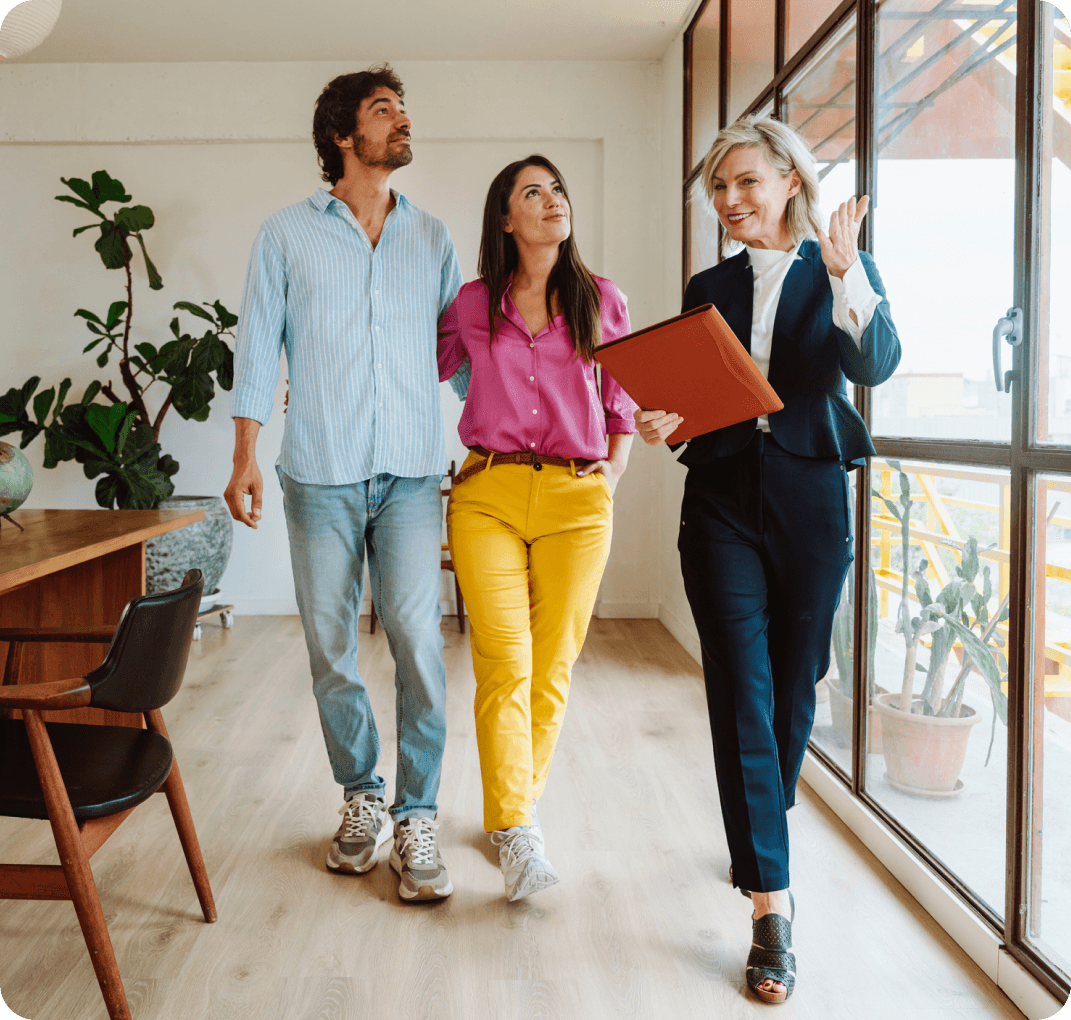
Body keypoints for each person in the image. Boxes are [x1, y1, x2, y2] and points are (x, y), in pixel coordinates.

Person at [634, 117, 900, 1002]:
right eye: (719, 188)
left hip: (810, 499)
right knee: (740, 690)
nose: (730, 201)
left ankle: (762, 823)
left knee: (795, 685)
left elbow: (877, 365)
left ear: (789, 178)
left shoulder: (836, 267)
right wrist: (664, 416)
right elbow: (696, 392)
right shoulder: (708, 281)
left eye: (745, 182)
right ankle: (770, 907)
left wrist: (845, 274)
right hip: (718, 502)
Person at [224, 65, 462, 902]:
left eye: (402, 109)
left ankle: (418, 811)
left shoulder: (431, 237)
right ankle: (361, 797)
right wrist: (245, 454)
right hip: (317, 474)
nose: (401, 122)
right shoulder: (286, 234)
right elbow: (257, 351)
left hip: (408, 473)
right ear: (340, 135)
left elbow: (457, 357)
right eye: (383, 110)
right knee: (331, 649)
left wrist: (523, 428)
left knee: (417, 644)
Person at [438, 155, 637, 901]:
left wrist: (611, 476)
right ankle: (518, 828)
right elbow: (412, 363)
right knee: (502, 659)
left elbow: (621, 400)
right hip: (485, 491)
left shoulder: (599, 298)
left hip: (575, 501)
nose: (552, 201)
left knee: (550, 667)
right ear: (505, 219)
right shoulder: (470, 303)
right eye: (533, 192)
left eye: (558, 189)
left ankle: (510, 813)